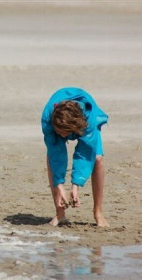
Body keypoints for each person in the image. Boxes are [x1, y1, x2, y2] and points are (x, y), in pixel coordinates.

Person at [41, 87, 109, 227]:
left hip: (85, 118)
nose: (62, 137)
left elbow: (84, 153)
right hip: (55, 119)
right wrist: (59, 185)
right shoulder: (48, 120)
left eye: (64, 133)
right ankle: (60, 214)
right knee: (51, 158)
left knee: (97, 159)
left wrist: (76, 185)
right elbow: (56, 154)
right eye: (59, 133)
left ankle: (98, 212)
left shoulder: (89, 120)